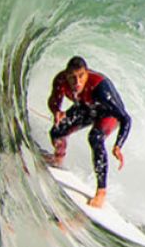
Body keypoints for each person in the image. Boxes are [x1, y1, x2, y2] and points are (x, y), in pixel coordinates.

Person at [47, 55, 131, 208]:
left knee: (95, 138)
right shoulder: (61, 81)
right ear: (66, 75)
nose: (77, 82)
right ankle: (58, 158)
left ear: (87, 73)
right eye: (73, 78)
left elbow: (125, 118)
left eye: (81, 77)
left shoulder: (101, 89)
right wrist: (56, 112)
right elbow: (53, 101)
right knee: (56, 132)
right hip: (86, 107)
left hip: (108, 114)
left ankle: (101, 191)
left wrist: (118, 145)